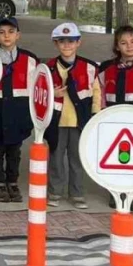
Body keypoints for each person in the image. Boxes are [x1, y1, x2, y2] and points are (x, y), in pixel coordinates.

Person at [45, 23, 101, 210]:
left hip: (80, 121)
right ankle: (55, 192)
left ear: (79, 43)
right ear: (55, 43)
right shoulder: (47, 67)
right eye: (62, 41)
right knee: (56, 158)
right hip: (56, 122)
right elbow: (39, 93)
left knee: (77, 159)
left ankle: (77, 194)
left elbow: (96, 94)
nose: (67, 45)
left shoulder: (90, 67)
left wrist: (95, 117)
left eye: (71, 41)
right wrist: (54, 94)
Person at [0, 17, 40, 204]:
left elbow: (38, 87)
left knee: (15, 150)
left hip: (19, 111)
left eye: (11, 32)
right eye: (1, 32)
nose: (6, 36)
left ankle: (12, 181)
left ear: (18, 35)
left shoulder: (30, 59)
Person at [98, 26, 133, 111]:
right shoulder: (105, 68)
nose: (129, 46)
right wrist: (103, 112)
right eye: (123, 43)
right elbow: (101, 94)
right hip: (110, 116)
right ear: (117, 47)